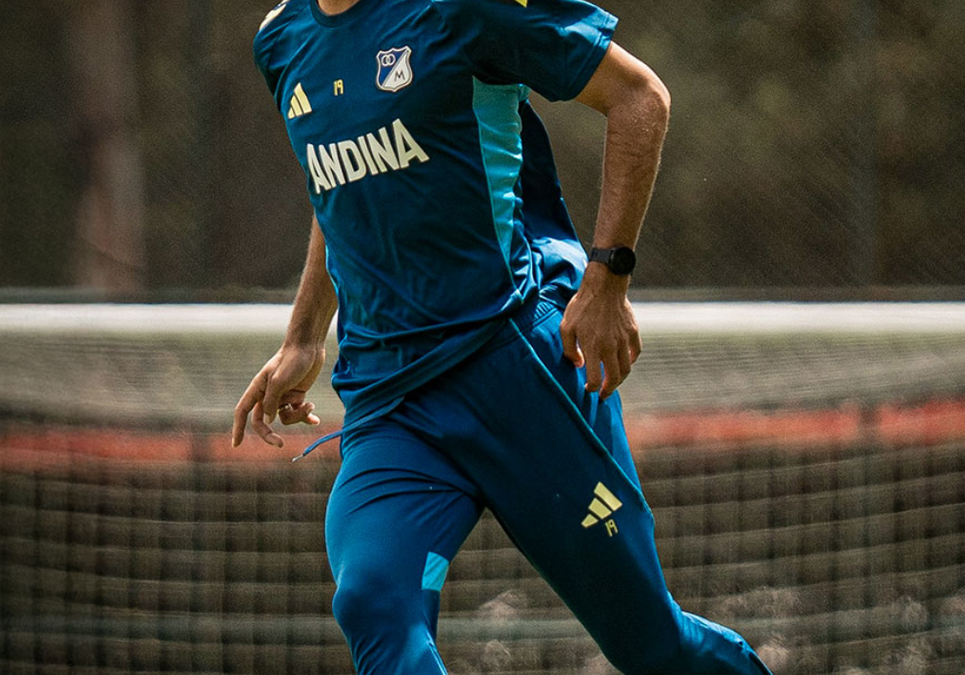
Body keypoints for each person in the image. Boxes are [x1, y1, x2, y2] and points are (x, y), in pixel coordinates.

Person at [235, 0, 772, 672]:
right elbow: (338, 185)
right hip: (391, 402)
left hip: (518, 369)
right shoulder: (281, 40)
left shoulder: (457, 9)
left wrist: (607, 280)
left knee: (653, 647)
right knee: (374, 600)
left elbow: (640, 98)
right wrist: (304, 335)